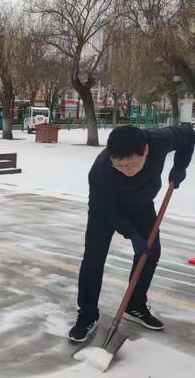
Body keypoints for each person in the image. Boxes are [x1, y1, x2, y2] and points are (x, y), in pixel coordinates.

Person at [69, 124, 195, 342]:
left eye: (132, 164)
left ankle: (135, 304)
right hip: (107, 210)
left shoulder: (159, 139)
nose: (126, 170)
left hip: (141, 204)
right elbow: (103, 208)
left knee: (151, 253)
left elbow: (188, 134)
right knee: (93, 257)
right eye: (119, 165)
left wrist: (180, 166)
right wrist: (132, 235)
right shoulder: (100, 171)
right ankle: (87, 314)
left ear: (146, 150)